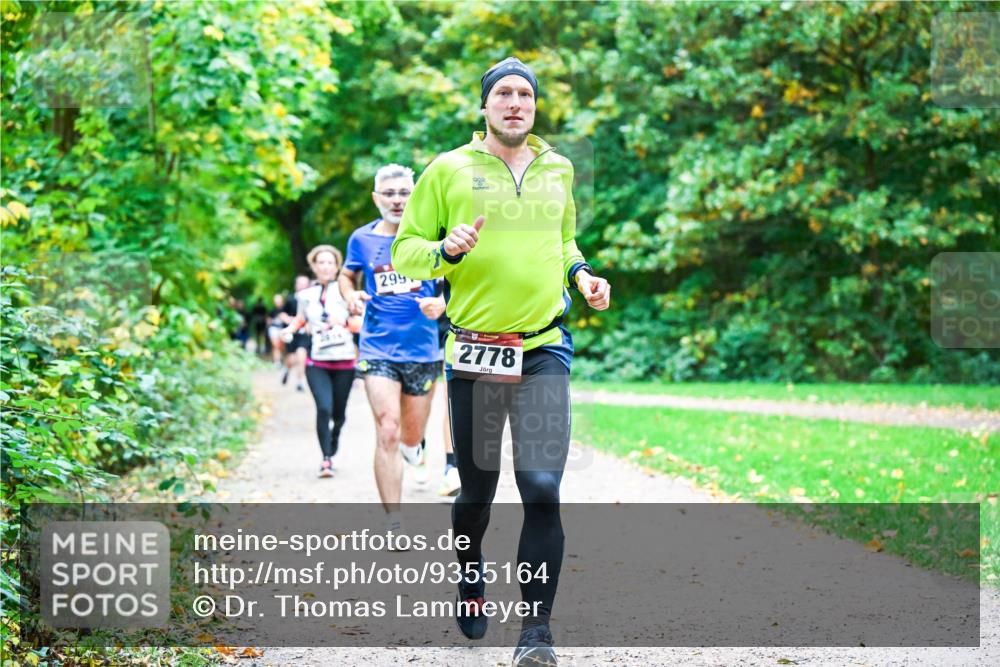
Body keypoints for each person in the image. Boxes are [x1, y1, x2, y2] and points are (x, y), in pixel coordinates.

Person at [392, 57, 610, 666]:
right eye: (504, 94)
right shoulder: (447, 170)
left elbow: (564, 240)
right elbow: (407, 253)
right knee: (478, 494)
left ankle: (535, 633)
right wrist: (444, 248)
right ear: (485, 106)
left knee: (541, 487)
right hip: (476, 350)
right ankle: (469, 575)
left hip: (544, 346)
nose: (515, 102)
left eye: (525, 94)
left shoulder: (558, 168)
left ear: (534, 106)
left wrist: (583, 275)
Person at [339, 163, 445, 537]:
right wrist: (351, 296)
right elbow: (346, 274)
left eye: (404, 193)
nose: (398, 200)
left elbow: (458, 281)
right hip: (377, 347)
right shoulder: (362, 239)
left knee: (409, 436)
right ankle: (394, 520)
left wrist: (443, 304)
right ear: (376, 198)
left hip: (423, 351)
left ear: (414, 195)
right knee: (387, 429)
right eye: (390, 193)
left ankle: (415, 448)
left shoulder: (433, 237)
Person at [281, 247, 356, 477]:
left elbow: (360, 321)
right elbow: (301, 319)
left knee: (339, 414)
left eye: (330, 263)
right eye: (320, 263)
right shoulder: (305, 296)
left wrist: (343, 323)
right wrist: (289, 330)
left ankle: (335, 436)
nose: (325, 267)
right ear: (314, 267)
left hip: (344, 361)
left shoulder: (347, 292)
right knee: (324, 408)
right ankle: (326, 459)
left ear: (337, 267)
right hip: (318, 362)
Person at [281, 275, 311, 392]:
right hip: (292, 333)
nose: (302, 286)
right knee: (292, 359)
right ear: (296, 285)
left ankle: (300, 381)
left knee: (301, 355)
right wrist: (291, 322)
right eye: (300, 284)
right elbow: (282, 314)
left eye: (305, 284)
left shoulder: (312, 299)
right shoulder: (290, 299)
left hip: (304, 333)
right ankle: (287, 369)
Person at [266, 293, 288, 367]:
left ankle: (282, 359)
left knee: (282, 346)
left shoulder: (286, 309)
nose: (277, 302)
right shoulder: (272, 310)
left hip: (283, 329)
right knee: (275, 345)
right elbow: (268, 320)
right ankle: (277, 361)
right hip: (274, 329)